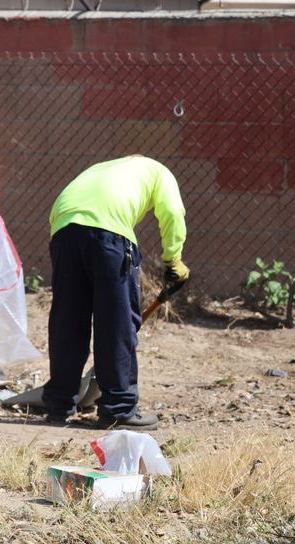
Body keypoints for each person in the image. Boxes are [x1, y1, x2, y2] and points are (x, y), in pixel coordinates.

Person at [42, 156, 190, 430]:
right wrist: (174, 260)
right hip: (109, 233)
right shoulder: (160, 172)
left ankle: (58, 404)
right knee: (116, 323)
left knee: (68, 320)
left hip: (63, 229)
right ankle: (118, 409)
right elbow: (171, 212)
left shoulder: (101, 168)